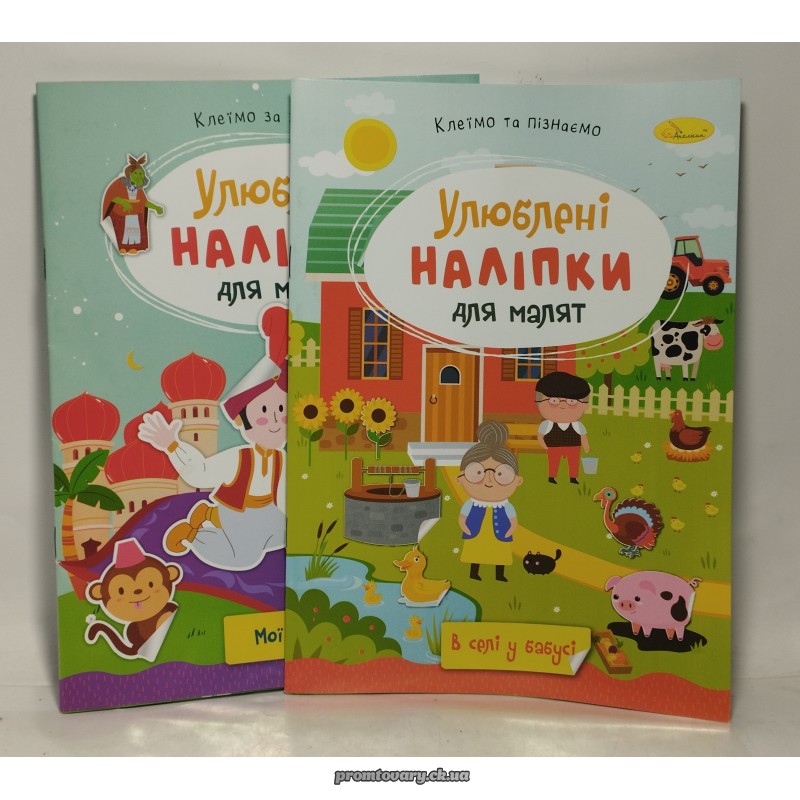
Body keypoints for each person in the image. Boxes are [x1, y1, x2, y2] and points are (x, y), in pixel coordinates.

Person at [138, 305, 287, 571]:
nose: (276, 420)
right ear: (241, 420)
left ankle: (211, 515)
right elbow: (201, 473)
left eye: (282, 411)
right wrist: (172, 445)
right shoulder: (239, 458)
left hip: (267, 512)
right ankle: (195, 532)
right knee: (242, 557)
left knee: (285, 538)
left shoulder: (281, 457)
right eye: (264, 411)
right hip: (238, 512)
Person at [457, 421, 523, 582]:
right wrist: (464, 526)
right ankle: (474, 572)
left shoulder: (506, 505)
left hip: (500, 534)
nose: (488, 480)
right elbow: (462, 517)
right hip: (475, 533)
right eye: (477, 473)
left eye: (500, 474)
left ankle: (499, 574)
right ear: (460, 478)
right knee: (475, 552)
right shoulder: (471, 503)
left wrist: (510, 530)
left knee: (499, 554)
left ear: (517, 481)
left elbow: (513, 520)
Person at [535, 371, 591, 485]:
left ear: (585, 405)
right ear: (539, 402)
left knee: (573, 462)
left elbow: (583, 436)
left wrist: (586, 447)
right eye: (554, 400)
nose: (562, 405)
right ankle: (552, 476)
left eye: (572, 401)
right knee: (553, 461)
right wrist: (543, 444)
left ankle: (573, 477)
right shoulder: (548, 424)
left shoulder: (577, 425)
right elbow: (540, 436)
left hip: (573, 446)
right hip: (554, 446)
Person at [101, 153, 164, 254]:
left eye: (141, 174)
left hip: (135, 215)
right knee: (122, 232)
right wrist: (123, 202)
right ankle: (123, 247)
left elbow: (144, 202)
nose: (139, 176)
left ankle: (134, 247)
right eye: (137, 173)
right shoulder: (119, 184)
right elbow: (113, 197)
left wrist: (156, 207)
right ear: (130, 174)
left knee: (135, 233)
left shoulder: (138, 189)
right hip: (121, 214)